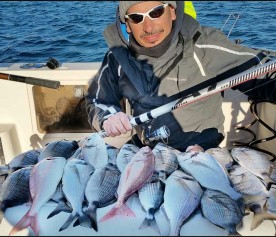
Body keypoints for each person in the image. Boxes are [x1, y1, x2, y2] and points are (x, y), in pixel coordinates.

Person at [85, 1, 276, 151]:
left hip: (200, 154)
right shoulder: (117, 58)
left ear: (173, 11)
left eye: (156, 12)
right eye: (136, 18)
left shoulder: (204, 47)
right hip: (145, 153)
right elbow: (96, 100)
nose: (149, 27)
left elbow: (261, 71)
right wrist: (108, 116)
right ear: (127, 24)